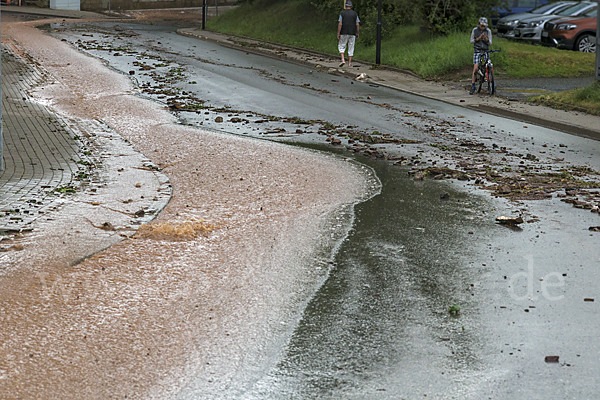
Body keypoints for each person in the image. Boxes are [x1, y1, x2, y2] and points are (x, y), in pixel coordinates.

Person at [470, 17, 492, 95]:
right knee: (475, 68)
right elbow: (471, 41)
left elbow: (490, 43)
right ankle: (473, 85)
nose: (483, 27)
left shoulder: (488, 31)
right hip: (477, 49)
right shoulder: (475, 30)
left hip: (485, 49)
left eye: (484, 26)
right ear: (479, 24)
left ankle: (492, 83)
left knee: (489, 65)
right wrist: (478, 39)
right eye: (482, 26)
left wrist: (485, 39)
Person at [337, 0, 360, 68]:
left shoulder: (342, 13)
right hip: (352, 32)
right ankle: (349, 63)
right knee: (351, 46)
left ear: (345, 6)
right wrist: (357, 32)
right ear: (351, 6)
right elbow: (357, 24)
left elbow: (340, 23)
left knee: (341, 45)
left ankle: (343, 59)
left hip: (343, 32)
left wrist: (338, 32)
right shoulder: (355, 14)